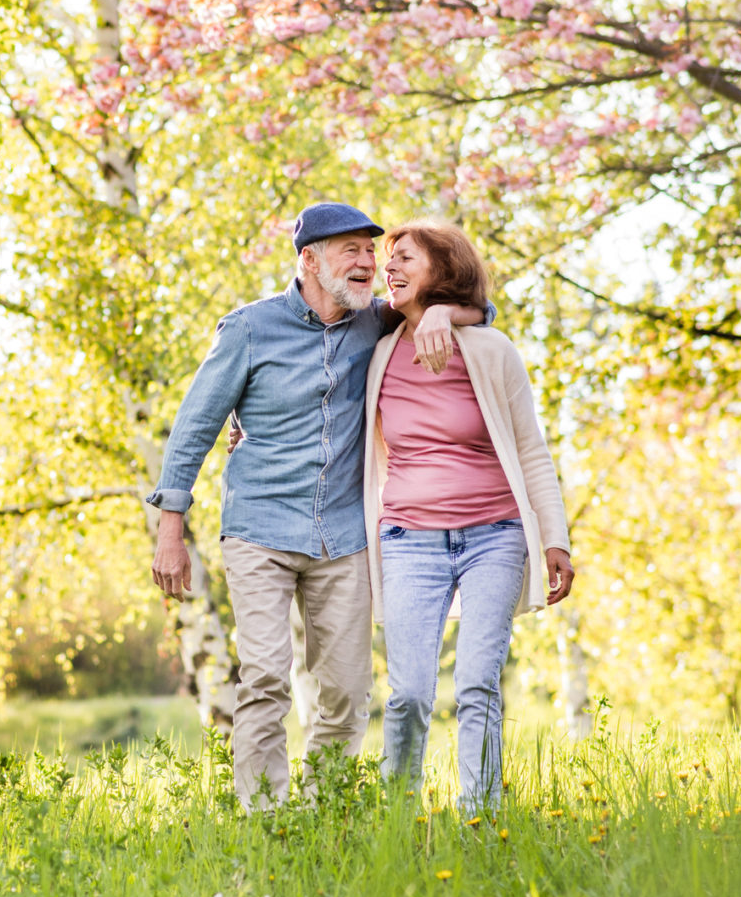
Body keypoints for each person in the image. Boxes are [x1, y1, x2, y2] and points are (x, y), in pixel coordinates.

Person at [148, 202, 493, 810]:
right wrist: (170, 529)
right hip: (259, 529)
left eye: (371, 250)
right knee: (263, 680)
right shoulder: (249, 329)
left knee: (346, 692)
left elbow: (482, 312)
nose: (368, 263)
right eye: (352, 251)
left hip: (345, 535)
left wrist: (440, 309)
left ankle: (320, 816)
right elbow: (194, 428)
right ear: (309, 260)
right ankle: (265, 823)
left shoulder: (376, 323)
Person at [362, 218, 574, 812]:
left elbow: (531, 447)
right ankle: (398, 817)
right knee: (407, 693)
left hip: (495, 536)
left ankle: (480, 817)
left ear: (443, 267)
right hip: (408, 539)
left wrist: (553, 536)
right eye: (389, 260)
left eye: (405, 257)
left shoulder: (491, 349)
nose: (390, 267)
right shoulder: (375, 351)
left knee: (478, 683)